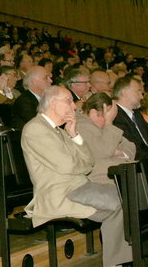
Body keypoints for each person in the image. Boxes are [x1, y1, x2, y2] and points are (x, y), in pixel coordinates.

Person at [21, 85, 132, 267]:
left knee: (127, 197)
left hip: (79, 185)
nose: (74, 106)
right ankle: (117, 262)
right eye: (69, 101)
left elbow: (89, 161)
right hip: (61, 193)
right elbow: (68, 165)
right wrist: (79, 163)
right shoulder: (35, 129)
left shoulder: (61, 130)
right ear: (54, 103)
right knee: (121, 201)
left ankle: (118, 261)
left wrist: (74, 135)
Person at [77, 92, 135, 185]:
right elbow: (105, 151)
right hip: (103, 182)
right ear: (93, 113)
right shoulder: (80, 126)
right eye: (107, 115)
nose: (110, 118)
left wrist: (119, 152)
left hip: (120, 176)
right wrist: (108, 122)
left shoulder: (106, 128)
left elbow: (131, 146)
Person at [112, 75, 148, 159]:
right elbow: (134, 147)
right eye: (138, 92)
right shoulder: (115, 116)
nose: (141, 97)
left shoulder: (136, 113)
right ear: (125, 92)